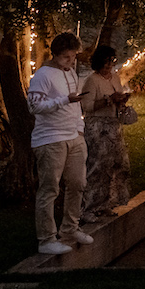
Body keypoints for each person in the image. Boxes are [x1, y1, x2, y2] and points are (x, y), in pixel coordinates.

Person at [27, 31, 92, 255]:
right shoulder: (43, 75)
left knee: (78, 183)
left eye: (73, 57)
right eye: (66, 57)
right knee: (50, 188)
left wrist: (79, 130)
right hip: (51, 138)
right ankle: (46, 239)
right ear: (55, 54)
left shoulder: (71, 73)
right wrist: (63, 100)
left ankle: (70, 228)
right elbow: (34, 106)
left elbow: (75, 105)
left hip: (73, 136)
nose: (71, 61)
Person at [78, 45, 133, 223]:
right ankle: (88, 207)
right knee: (97, 167)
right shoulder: (92, 81)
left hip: (113, 126)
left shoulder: (115, 77)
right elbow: (87, 107)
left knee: (117, 165)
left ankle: (107, 203)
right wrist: (108, 100)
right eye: (107, 61)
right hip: (97, 127)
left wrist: (121, 101)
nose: (110, 65)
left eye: (112, 61)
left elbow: (117, 94)